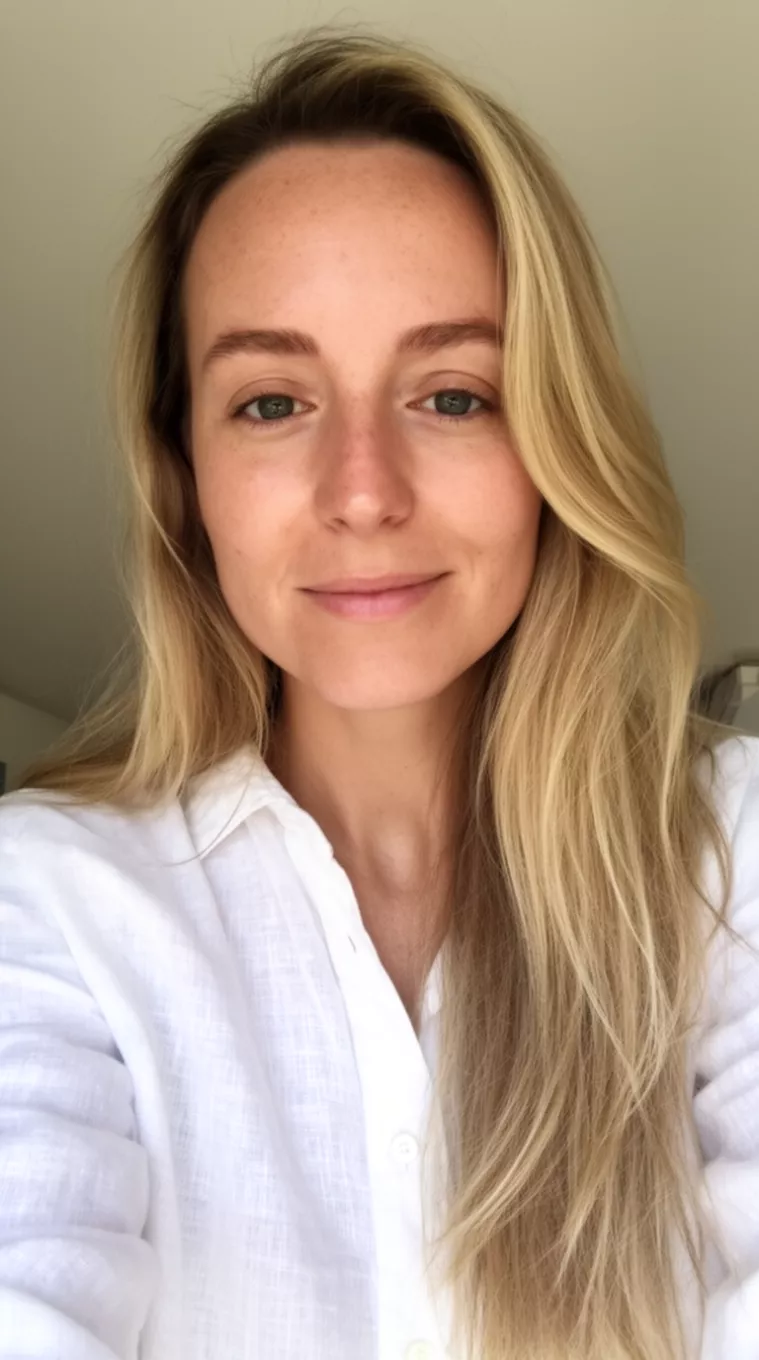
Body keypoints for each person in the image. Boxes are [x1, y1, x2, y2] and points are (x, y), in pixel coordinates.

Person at [0, 23, 757, 1360]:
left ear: (553, 440)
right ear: (185, 467)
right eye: (273, 403)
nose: (362, 492)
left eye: (453, 394)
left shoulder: (729, 859)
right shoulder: (47, 904)